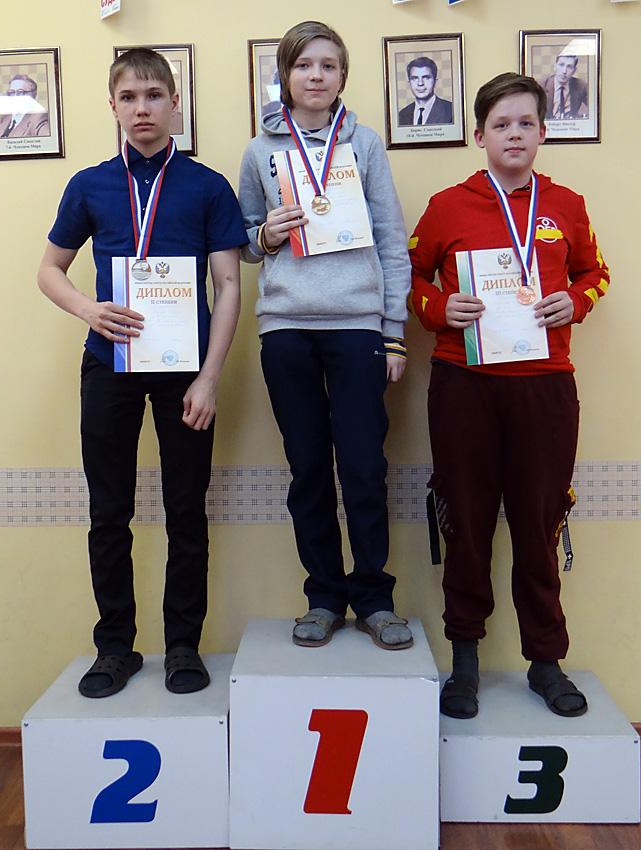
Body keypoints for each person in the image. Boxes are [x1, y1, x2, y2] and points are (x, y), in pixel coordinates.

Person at [37, 48, 247, 698]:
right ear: (113, 107)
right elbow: (49, 270)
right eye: (128, 97)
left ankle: (183, 646)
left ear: (175, 104)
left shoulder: (208, 186)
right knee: (109, 512)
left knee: (186, 510)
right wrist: (88, 308)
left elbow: (229, 284)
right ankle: (115, 649)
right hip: (110, 364)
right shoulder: (90, 185)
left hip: (185, 372)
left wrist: (210, 377)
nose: (142, 108)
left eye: (154, 96)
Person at [409, 72, 609, 718]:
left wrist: (574, 300)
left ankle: (545, 661)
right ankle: (464, 659)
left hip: (544, 387)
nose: (513, 134)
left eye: (525, 123)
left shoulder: (566, 205)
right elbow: (409, 278)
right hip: (463, 384)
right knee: (465, 522)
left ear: (543, 132)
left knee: (538, 523)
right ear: (479, 136)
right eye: (501, 125)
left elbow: (595, 273)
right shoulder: (447, 206)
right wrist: (439, 307)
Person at [238, 20, 413, 651]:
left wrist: (393, 332)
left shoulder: (363, 144)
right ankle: (323, 597)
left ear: (342, 76)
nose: (316, 75)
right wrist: (266, 234)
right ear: (285, 75)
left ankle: (374, 599)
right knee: (308, 469)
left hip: (357, 325)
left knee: (364, 467)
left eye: (328, 65)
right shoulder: (259, 151)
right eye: (304, 65)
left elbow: (391, 239)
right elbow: (243, 242)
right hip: (286, 328)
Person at [398, 57, 453, 126]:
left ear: (435, 81)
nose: (420, 83)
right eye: (414, 78)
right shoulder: (401, 115)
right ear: (409, 83)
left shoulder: (451, 110)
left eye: (426, 78)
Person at [0, 73, 50, 138]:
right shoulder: (3, 117)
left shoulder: (38, 118)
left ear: (33, 95)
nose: (15, 96)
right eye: (12, 92)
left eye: (20, 92)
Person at [540, 54, 588, 120]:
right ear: (555, 67)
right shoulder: (541, 85)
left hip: (571, 125)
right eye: (561, 65)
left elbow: (595, 107)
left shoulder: (581, 85)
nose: (564, 71)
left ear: (574, 71)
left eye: (569, 67)